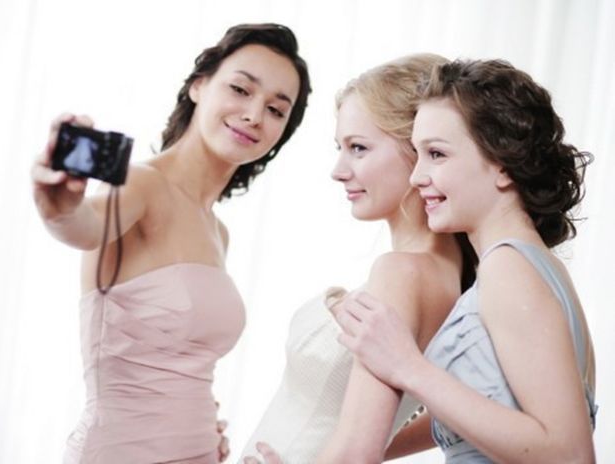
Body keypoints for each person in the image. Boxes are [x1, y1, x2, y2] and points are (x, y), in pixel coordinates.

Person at [31, 23, 311, 464]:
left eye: (276, 110)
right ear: (199, 85)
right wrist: (58, 207)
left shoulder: (218, 231)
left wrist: (196, 423)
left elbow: (178, 365)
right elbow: (83, 226)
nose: (255, 115)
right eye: (240, 89)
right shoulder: (141, 184)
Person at [334, 59, 597, 463]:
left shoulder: (508, 268)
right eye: (418, 154)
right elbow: (496, 416)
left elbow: (571, 454)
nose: (417, 177)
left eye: (437, 154)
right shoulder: (534, 265)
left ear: (503, 164)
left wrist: (408, 367)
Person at [241, 54, 477, 464]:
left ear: (420, 148)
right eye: (341, 148)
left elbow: (356, 451)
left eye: (358, 148)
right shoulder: (447, 273)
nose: (338, 170)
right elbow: (453, 413)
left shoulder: (403, 272)